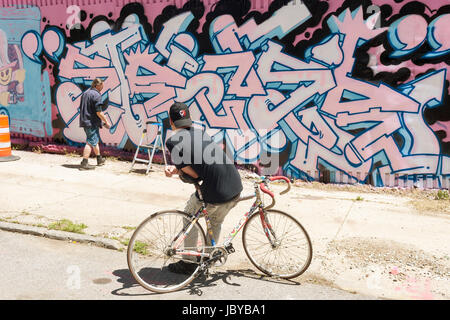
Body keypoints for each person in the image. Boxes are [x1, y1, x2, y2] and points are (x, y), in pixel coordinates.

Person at [164, 102, 243, 274]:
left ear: (170, 120)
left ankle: (188, 263)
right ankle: (208, 257)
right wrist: (179, 168)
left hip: (216, 191)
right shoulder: (200, 133)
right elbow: (204, 163)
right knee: (215, 221)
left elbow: (193, 174)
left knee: (189, 216)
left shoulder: (173, 142)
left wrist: (178, 172)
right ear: (189, 119)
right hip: (235, 186)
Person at [79, 78, 111, 170]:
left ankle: (99, 159)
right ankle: (84, 162)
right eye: (102, 86)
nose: (102, 87)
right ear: (97, 85)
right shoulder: (96, 95)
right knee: (90, 142)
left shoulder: (85, 93)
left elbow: (87, 110)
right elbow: (98, 112)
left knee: (94, 140)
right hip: (91, 122)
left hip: (85, 121)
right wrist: (106, 121)